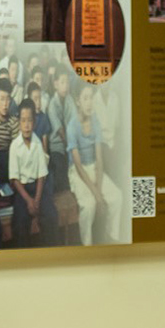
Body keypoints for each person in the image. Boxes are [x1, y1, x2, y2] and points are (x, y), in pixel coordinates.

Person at [67, 83, 121, 245]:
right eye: (85, 98)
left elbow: (99, 158)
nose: (89, 103)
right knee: (89, 205)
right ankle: (87, 244)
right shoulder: (72, 126)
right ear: (78, 101)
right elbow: (77, 165)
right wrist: (97, 194)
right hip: (78, 173)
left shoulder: (95, 120)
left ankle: (111, 237)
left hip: (94, 168)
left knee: (117, 197)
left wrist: (99, 187)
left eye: (91, 98)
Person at [8, 102, 57, 247]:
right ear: (19, 123)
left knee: (51, 216)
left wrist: (36, 199)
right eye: (23, 121)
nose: (27, 125)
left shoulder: (37, 144)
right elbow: (15, 179)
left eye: (30, 121)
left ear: (34, 123)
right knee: (19, 222)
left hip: (38, 189)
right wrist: (29, 201)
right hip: (22, 191)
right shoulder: (15, 146)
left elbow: (42, 175)